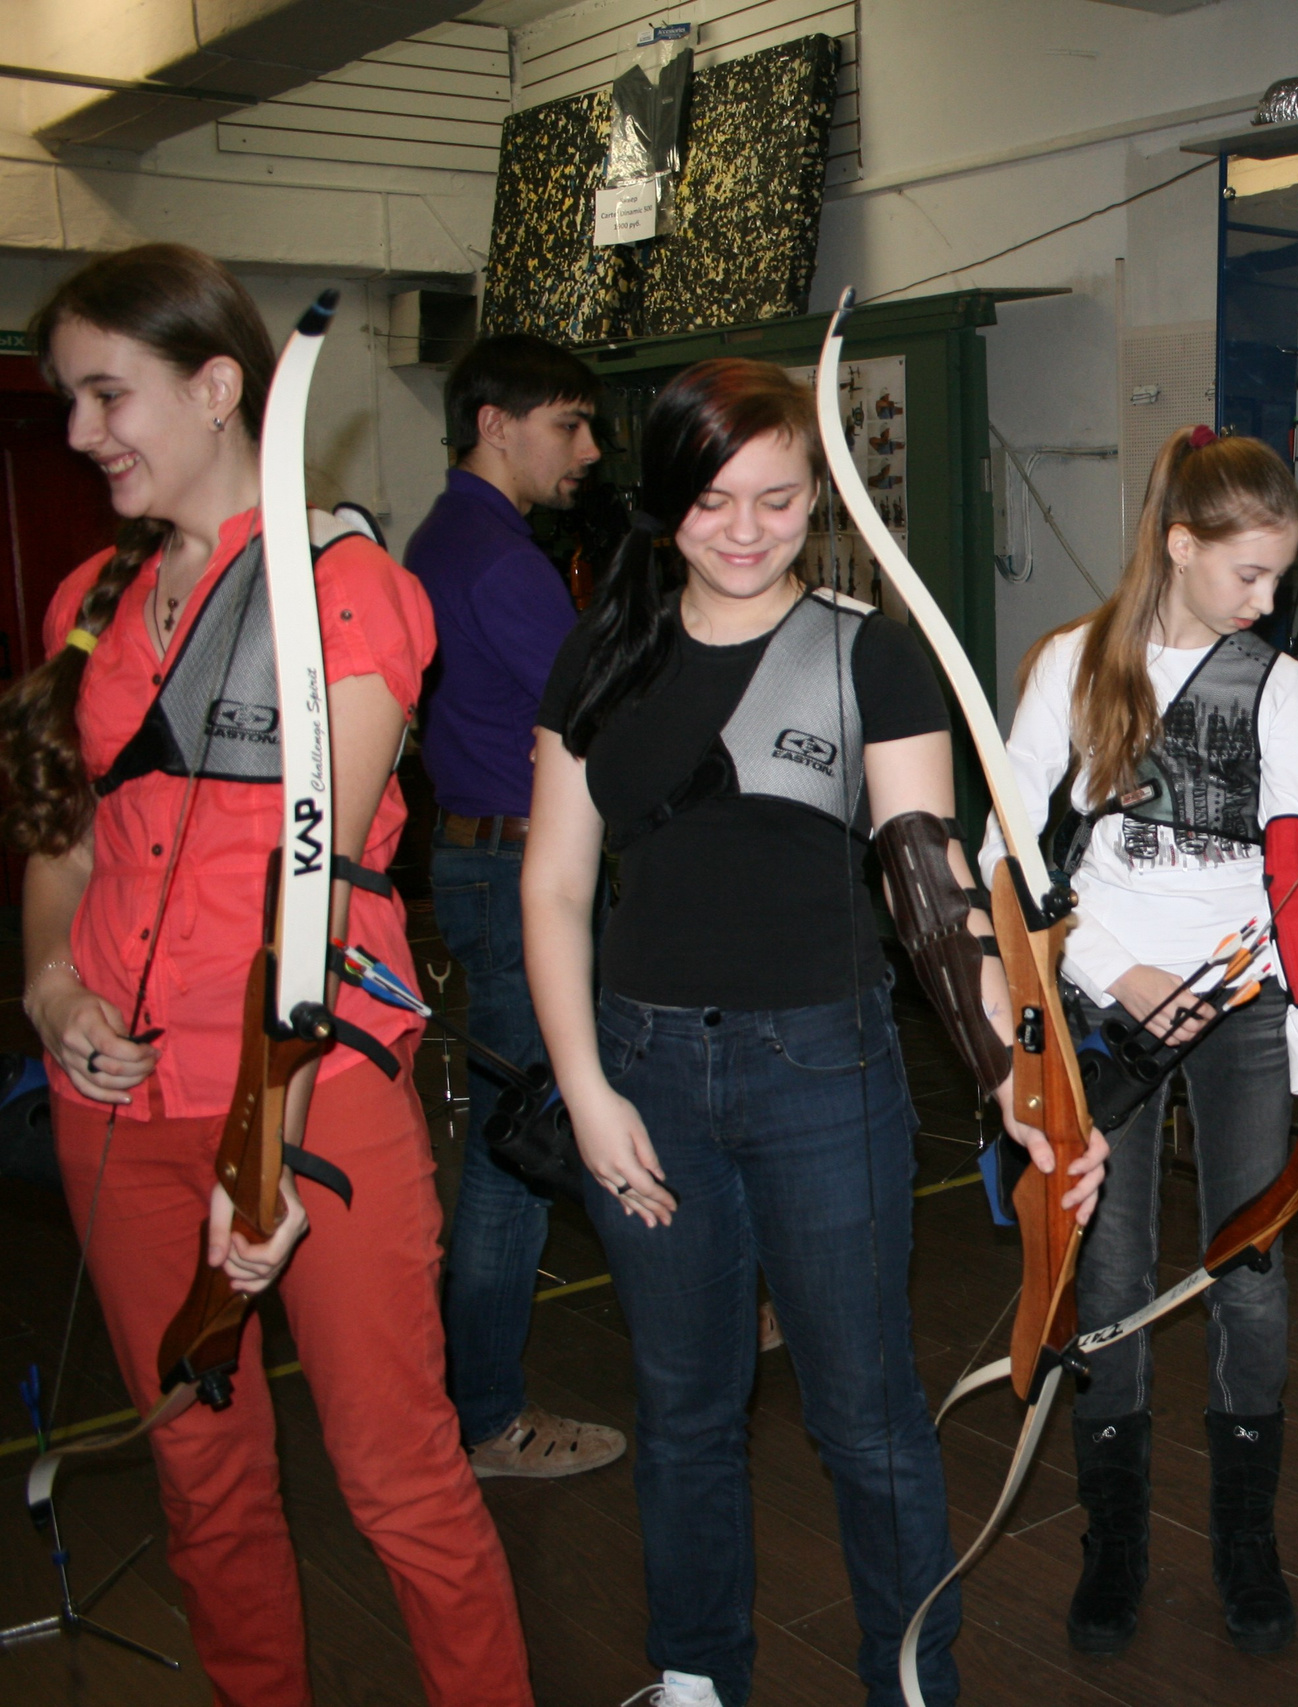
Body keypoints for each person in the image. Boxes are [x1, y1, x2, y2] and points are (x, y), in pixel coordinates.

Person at [518, 358, 1105, 1707]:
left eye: (778, 500)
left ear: (816, 503)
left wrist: (1018, 1080)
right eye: (715, 498)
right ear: (665, 500)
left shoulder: (868, 649)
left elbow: (931, 883)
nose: (744, 527)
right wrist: (586, 1088)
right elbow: (553, 883)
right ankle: (695, 1673)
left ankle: (910, 1679)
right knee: (683, 1409)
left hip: (824, 1073)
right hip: (646, 1069)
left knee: (867, 1412)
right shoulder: (601, 649)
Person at [2, 243, 532, 1703]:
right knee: (199, 1472)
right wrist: (52, 985)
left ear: (220, 383)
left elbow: (328, 894)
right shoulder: (90, 604)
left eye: (109, 393)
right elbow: (64, 836)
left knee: (401, 1479)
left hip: (309, 1102)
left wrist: (268, 1151)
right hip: (115, 1098)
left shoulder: (345, 591)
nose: (82, 430)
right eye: (70, 400)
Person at [989, 426, 1298, 1657]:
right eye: (1248, 576)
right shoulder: (1073, 662)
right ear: (1179, 544)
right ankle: (1113, 1548)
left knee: (1249, 1276)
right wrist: (1114, 969)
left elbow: (1289, 871)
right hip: (1109, 1004)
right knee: (1103, 1286)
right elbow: (1009, 856)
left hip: (1248, 1009)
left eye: (1279, 582)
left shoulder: (1269, 680)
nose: (1267, 605)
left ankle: (1244, 1544)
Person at [406, 331, 625, 1479]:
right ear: (495, 422)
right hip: (515, 869)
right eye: (567, 425)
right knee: (523, 1144)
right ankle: (485, 1416)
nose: (586, 449)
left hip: (488, 858)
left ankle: (705, 1295)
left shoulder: (451, 538)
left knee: (565, 1107)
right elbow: (599, 715)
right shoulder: (497, 561)